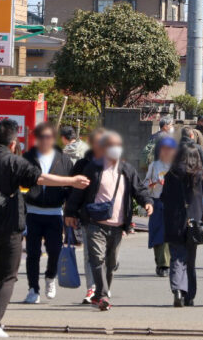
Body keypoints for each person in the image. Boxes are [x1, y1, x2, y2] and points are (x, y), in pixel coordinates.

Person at [0, 119, 89, 337]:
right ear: (12, 143)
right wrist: (72, 180)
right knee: (8, 276)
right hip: (9, 228)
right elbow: (41, 178)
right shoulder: (13, 162)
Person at [65, 131, 153, 311]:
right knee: (96, 259)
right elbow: (78, 192)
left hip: (117, 224)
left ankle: (101, 293)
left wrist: (147, 202)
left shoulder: (127, 170)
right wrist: (71, 213)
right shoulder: (92, 169)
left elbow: (139, 189)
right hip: (94, 221)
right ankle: (103, 295)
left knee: (111, 263)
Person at [22, 122, 74, 304]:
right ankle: (33, 289)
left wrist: (71, 213)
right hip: (33, 212)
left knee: (55, 251)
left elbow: (70, 189)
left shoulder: (64, 160)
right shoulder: (27, 157)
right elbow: (20, 184)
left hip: (54, 214)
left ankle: (50, 277)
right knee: (33, 253)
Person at [160, 143, 203, 307]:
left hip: (174, 221)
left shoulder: (171, 174)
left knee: (176, 257)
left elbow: (163, 198)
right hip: (194, 223)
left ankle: (177, 289)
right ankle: (189, 295)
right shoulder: (200, 174)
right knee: (190, 260)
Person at [71, 128, 105, 304]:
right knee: (89, 254)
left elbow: (126, 190)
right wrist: (71, 212)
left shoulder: (115, 164)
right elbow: (73, 191)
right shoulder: (81, 165)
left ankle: (104, 285)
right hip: (88, 216)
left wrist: (127, 221)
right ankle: (92, 288)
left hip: (111, 217)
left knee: (109, 257)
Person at [144, 136, 177, 277]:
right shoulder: (154, 165)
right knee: (158, 234)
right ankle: (161, 263)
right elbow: (145, 184)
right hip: (157, 203)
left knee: (170, 235)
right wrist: (151, 184)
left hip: (173, 203)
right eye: (164, 149)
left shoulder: (177, 166)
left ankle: (166, 264)